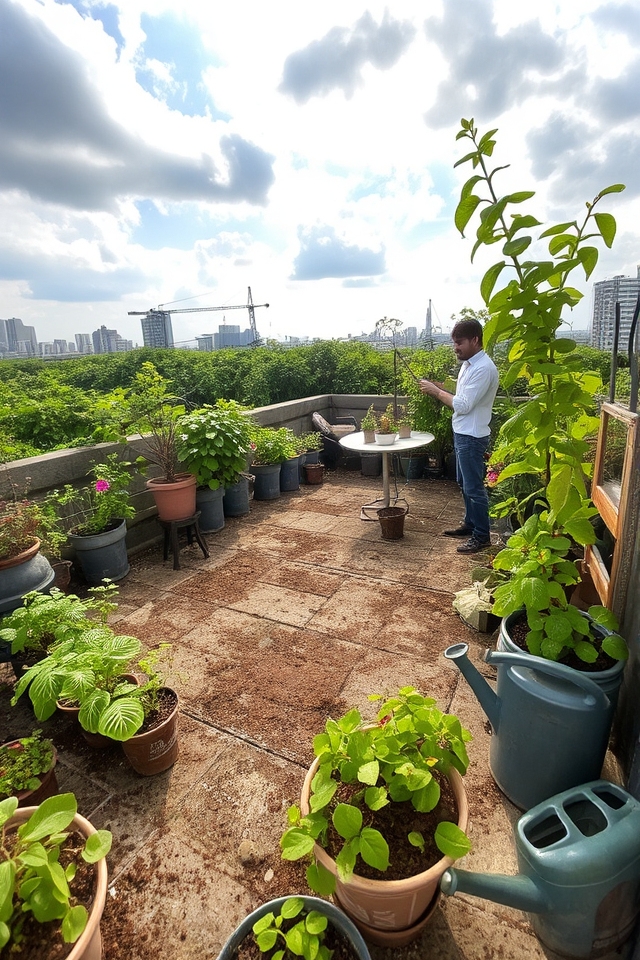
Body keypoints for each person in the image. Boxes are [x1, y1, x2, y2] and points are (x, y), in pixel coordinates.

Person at [420, 318, 499, 554]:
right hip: (463, 433)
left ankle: (482, 536)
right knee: (464, 484)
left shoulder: (484, 368)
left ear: (475, 340)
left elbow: (463, 405)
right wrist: (439, 387)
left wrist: (436, 392)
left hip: (472, 437)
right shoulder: (468, 365)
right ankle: (470, 524)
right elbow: (462, 396)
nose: (456, 347)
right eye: (454, 342)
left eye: (459, 342)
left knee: (474, 488)